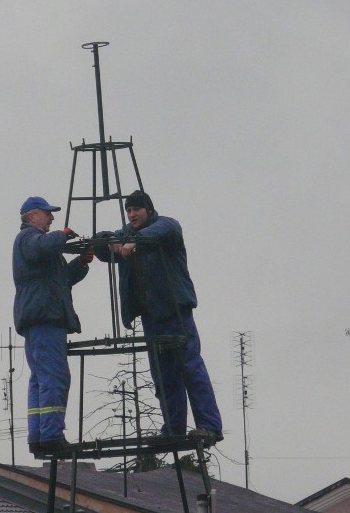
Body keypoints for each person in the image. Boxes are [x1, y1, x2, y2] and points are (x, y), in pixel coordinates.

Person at [94, 190, 223, 441]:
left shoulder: (165, 227)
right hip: (150, 317)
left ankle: (209, 425)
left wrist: (136, 242)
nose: (132, 214)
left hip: (175, 312)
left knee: (190, 369)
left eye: (136, 209)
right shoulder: (126, 233)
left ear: (149, 210)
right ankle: (172, 428)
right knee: (163, 377)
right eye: (128, 210)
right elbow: (101, 242)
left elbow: (166, 229)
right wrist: (111, 241)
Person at [13, 196, 92, 455]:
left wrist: (80, 264)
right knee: (54, 377)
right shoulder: (28, 239)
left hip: (41, 320)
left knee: (41, 380)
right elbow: (43, 246)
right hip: (45, 320)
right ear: (32, 216)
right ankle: (51, 435)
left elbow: (62, 280)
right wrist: (64, 235)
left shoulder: (40, 247)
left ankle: (39, 436)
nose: (52, 219)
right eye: (48, 214)